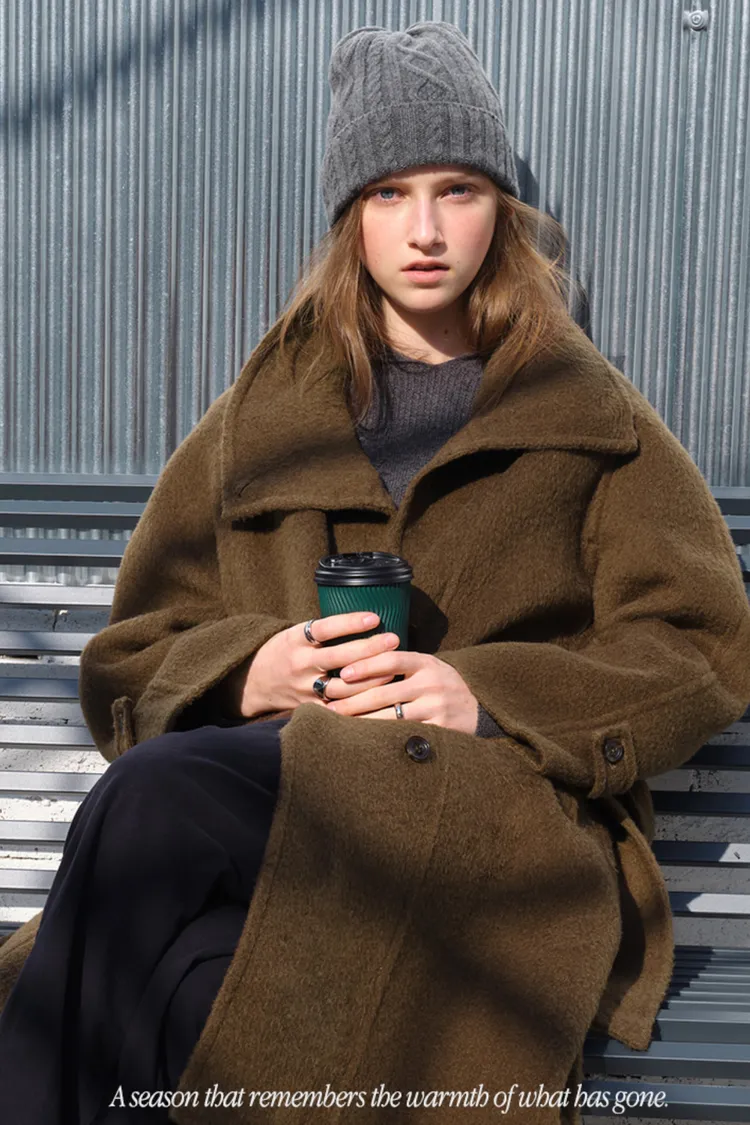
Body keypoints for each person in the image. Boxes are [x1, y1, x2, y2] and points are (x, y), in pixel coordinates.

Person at [1, 20, 749, 1125]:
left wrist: (489, 696)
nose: (427, 230)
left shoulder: (589, 414)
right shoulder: (265, 417)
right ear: (351, 215)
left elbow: (700, 644)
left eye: (458, 190)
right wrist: (250, 670)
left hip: (491, 820)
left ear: (502, 211)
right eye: (391, 193)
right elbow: (133, 651)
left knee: (151, 799)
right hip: (287, 811)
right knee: (188, 990)